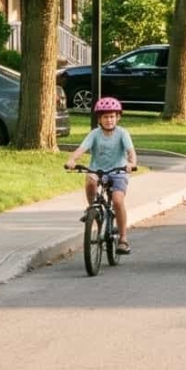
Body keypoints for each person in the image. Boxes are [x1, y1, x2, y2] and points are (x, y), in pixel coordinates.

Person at [66, 96, 139, 255]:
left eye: (112, 116)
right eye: (105, 117)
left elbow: (131, 153)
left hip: (118, 171)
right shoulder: (94, 134)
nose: (109, 120)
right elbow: (82, 149)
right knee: (90, 180)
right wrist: (72, 159)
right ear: (99, 118)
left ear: (118, 117)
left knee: (118, 201)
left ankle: (123, 239)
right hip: (98, 170)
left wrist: (131, 164)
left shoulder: (122, 133)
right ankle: (92, 208)